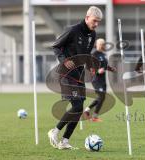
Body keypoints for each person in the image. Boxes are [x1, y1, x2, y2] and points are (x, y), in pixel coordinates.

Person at [48, 6, 103, 150]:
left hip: (79, 75)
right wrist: (65, 60)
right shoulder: (73, 30)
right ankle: (55, 131)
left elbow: (86, 54)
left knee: (78, 110)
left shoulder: (93, 35)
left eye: (98, 22)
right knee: (77, 106)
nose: (96, 24)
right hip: (66, 74)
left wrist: (91, 65)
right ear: (87, 18)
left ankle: (65, 141)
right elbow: (55, 46)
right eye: (94, 21)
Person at [83, 38, 116, 122]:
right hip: (96, 79)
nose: (102, 45)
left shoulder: (103, 55)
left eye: (103, 44)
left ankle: (87, 110)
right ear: (97, 45)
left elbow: (105, 66)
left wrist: (111, 69)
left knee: (102, 97)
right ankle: (94, 116)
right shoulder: (94, 54)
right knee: (101, 96)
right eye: (100, 44)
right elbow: (89, 66)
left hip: (103, 79)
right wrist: (97, 71)